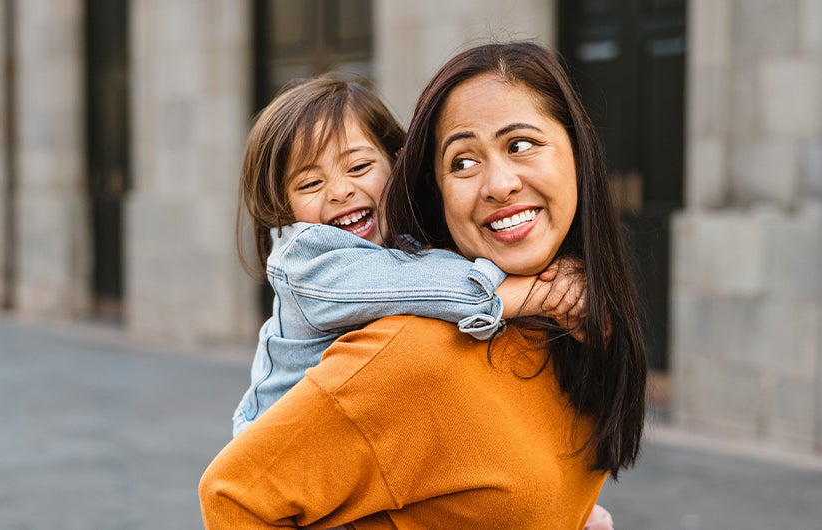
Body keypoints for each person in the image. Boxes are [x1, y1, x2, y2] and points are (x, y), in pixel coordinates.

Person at [202, 41, 646, 529]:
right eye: (462, 160)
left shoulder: (558, 320)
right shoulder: (386, 330)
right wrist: (525, 294)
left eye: (520, 144)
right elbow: (233, 494)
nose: (340, 191)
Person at [232, 75, 588, 437]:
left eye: (358, 167)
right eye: (310, 184)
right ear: (282, 207)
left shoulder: (404, 240)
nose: (340, 191)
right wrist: (545, 292)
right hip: (281, 454)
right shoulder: (305, 261)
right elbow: (431, 287)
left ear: (397, 162)